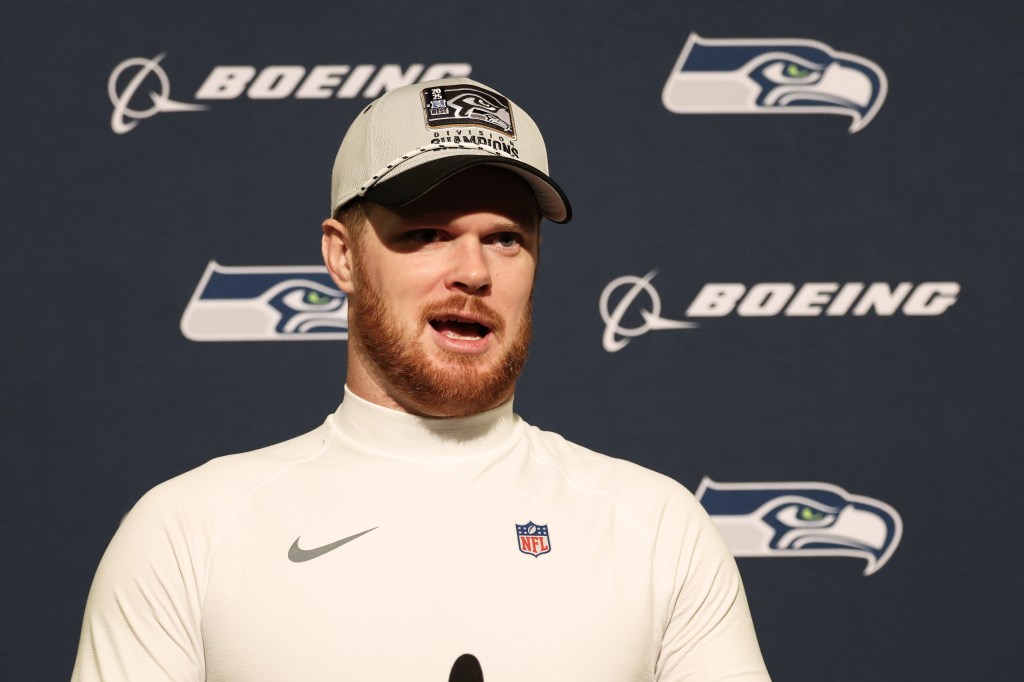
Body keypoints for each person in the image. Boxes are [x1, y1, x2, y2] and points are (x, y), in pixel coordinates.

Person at [72, 77, 771, 681]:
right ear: (342, 258)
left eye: (506, 237)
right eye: (427, 234)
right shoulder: (188, 532)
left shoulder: (656, 528)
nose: (473, 271)